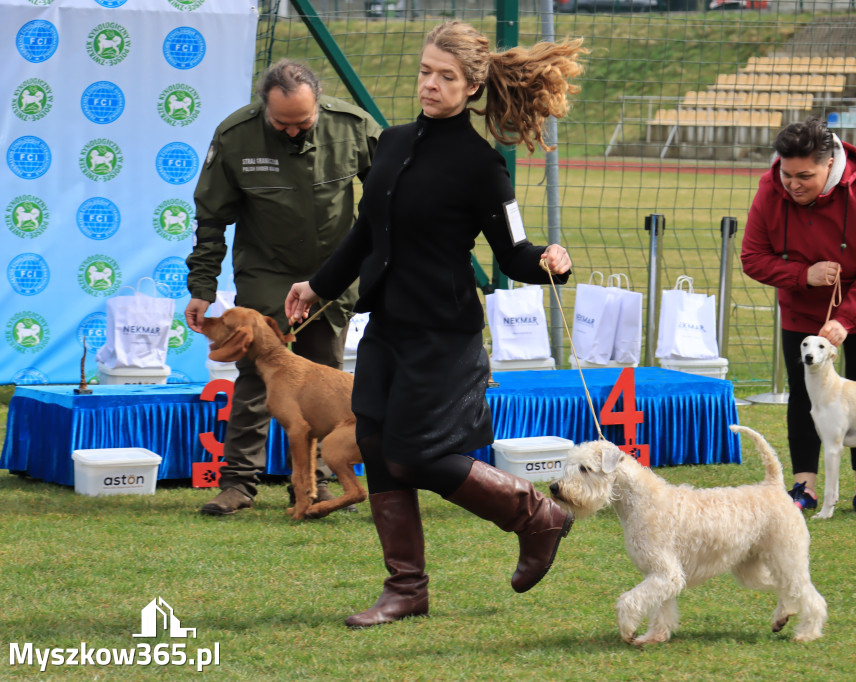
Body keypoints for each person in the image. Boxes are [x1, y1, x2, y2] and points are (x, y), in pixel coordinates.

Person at [285, 20, 585, 627]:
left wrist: (553, 259)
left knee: (415, 454)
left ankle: (536, 516)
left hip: (443, 336)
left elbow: (513, 252)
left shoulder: (483, 165)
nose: (430, 84)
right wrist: (316, 284)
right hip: (387, 327)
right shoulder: (391, 143)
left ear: (473, 87)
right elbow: (367, 233)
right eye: (425, 71)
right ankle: (406, 591)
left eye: (446, 77)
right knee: (374, 442)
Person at [185, 59, 381, 516]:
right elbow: (211, 220)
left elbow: (389, 193)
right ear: (263, 108)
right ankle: (237, 483)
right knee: (258, 377)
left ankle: (310, 486)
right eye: (281, 123)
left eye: (303, 122)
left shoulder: (354, 127)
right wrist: (203, 286)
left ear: (319, 104)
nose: (293, 132)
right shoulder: (235, 137)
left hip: (331, 272)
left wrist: (373, 257)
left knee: (324, 378)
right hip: (267, 272)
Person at [741, 116, 856, 517]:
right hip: (802, 302)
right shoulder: (770, 190)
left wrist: (845, 320)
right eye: (786, 174)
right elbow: (752, 258)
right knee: (805, 393)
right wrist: (803, 275)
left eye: (804, 176)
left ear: (830, 164)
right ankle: (804, 486)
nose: (793, 184)